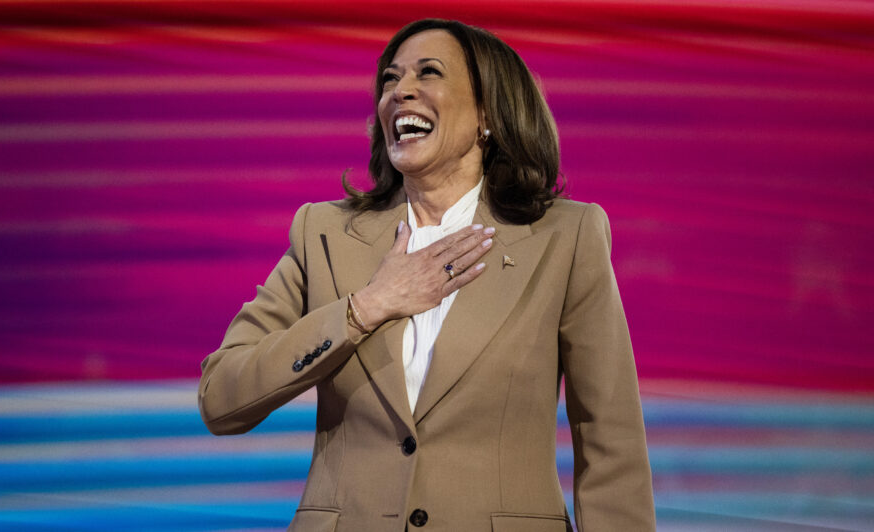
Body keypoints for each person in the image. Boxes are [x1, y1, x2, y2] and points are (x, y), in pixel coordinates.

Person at [198, 18, 655, 532]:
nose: (401, 93)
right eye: (390, 80)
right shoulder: (323, 233)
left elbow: (609, 439)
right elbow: (221, 398)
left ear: (487, 112)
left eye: (428, 73)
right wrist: (365, 308)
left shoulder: (566, 238)